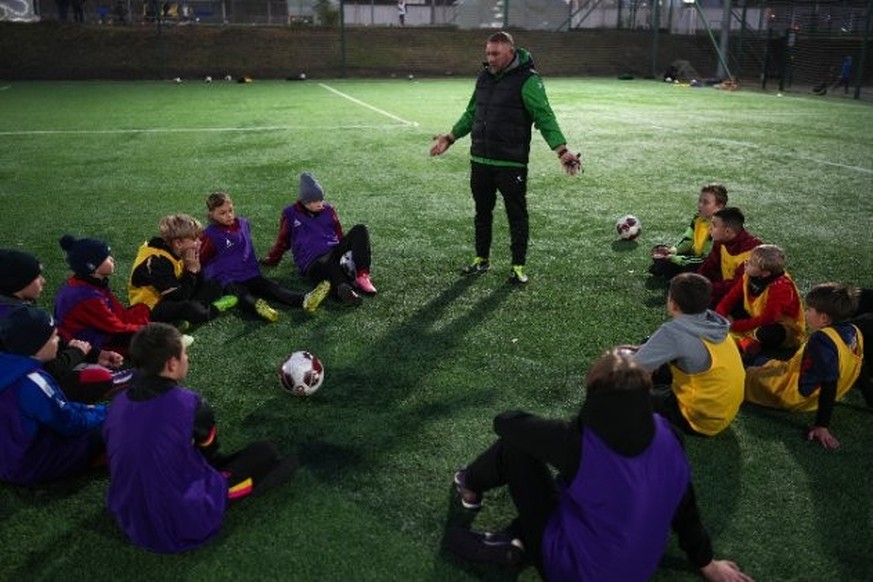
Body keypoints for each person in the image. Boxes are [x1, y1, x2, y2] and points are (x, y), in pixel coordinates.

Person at [446, 349, 752, 581]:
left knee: (515, 449)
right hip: (635, 570)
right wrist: (708, 564)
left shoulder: (578, 443)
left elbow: (506, 423)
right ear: (647, 390)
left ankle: (469, 486)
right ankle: (516, 538)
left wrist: (554, 432)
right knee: (578, 488)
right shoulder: (668, 434)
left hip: (574, 571)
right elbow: (686, 509)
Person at [103, 323, 298, 553]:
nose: (188, 358)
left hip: (129, 515)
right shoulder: (191, 405)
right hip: (178, 521)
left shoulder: (118, 404)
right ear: (172, 364)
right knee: (266, 453)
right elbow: (210, 456)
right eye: (184, 353)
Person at [429, 31, 581, 286]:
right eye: (488, 53)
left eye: (495, 54)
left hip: (511, 163)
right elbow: (471, 113)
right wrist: (450, 137)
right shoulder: (484, 77)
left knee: (516, 215)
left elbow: (544, 116)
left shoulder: (528, 80)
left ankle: (518, 266)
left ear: (510, 52)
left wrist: (561, 150)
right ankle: (481, 259)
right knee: (482, 212)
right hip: (481, 160)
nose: (490, 58)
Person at [745, 283, 864, 450]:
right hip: (801, 379)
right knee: (758, 360)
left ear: (824, 318)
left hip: (792, 393)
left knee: (740, 375)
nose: (806, 313)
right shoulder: (853, 331)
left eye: (809, 309)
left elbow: (830, 382)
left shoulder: (821, 340)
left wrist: (821, 426)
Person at [1, 248, 130, 403]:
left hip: (26, 377)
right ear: (18, 282)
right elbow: (46, 371)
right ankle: (112, 382)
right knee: (94, 379)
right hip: (19, 394)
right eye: (36, 277)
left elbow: (49, 339)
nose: (43, 281)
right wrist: (76, 353)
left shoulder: (14, 308)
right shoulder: (16, 321)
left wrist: (94, 354)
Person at [0, 305, 107, 485]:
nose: (58, 340)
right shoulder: (33, 381)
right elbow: (71, 423)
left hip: (8, 454)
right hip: (26, 466)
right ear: (36, 346)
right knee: (111, 425)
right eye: (53, 336)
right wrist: (102, 412)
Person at [631, 272, 745, 436]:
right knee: (651, 348)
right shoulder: (716, 322)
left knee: (625, 390)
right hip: (722, 412)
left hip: (698, 419)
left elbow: (634, 367)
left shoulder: (673, 333)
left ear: (673, 304)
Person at [199, 191, 330, 322]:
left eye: (230, 210)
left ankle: (304, 300)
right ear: (212, 215)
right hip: (229, 278)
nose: (228, 215)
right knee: (241, 295)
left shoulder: (243, 223)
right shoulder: (210, 235)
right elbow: (202, 258)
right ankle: (260, 308)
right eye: (222, 213)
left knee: (271, 287)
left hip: (250, 273)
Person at [262, 173, 376, 307]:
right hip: (313, 261)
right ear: (305, 201)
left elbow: (339, 235)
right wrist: (271, 259)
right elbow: (282, 242)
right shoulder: (290, 214)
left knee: (360, 229)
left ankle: (362, 276)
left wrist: (347, 250)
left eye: (321, 199)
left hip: (334, 250)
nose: (320, 204)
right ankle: (345, 291)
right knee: (327, 265)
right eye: (315, 201)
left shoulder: (329, 210)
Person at [129, 214, 239, 328]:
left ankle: (183, 318)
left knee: (214, 282)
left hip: (176, 293)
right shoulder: (157, 261)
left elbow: (190, 284)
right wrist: (191, 270)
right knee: (192, 309)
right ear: (179, 243)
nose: (200, 243)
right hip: (151, 306)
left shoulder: (177, 251)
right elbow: (179, 297)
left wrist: (197, 269)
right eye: (195, 239)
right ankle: (213, 308)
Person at [54, 234, 150, 354]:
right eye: (106, 258)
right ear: (92, 267)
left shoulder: (90, 283)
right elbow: (115, 328)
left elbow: (117, 312)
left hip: (98, 329)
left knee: (142, 310)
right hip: (89, 343)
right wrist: (150, 330)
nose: (112, 259)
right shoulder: (85, 296)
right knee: (148, 341)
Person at [715, 244, 805, 360]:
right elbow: (732, 296)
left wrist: (734, 325)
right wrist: (719, 316)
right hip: (756, 316)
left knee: (766, 334)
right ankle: (746, 340)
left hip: (781, 325)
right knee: (726, 306)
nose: (746, 262)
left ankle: (749, 342)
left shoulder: (781, 288)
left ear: (765, 273)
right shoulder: (750, 275)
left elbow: (768, 318)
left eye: (752, 263)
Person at [650, 183, 728, 279]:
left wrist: (675, 259)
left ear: (719, 206)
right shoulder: (697, 219)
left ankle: (676, 274)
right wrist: (672, 251)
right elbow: (688, 240)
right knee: (664, 254)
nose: (700, 205)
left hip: (710, 265)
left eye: (705, 202)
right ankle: (673, 271)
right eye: (699, 201)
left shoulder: (720, 229)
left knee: (688, 267)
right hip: (695, 258)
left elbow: (707, 260)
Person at [696, 207, 762, 307]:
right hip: (725, 286)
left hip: (745, 298)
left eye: (714, 225)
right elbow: (710, 264)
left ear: (727, 232)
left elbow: (738, 286)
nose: (710, 229)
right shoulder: (721, 241)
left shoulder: (751, 251)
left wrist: (705, 288)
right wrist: (697, 280)